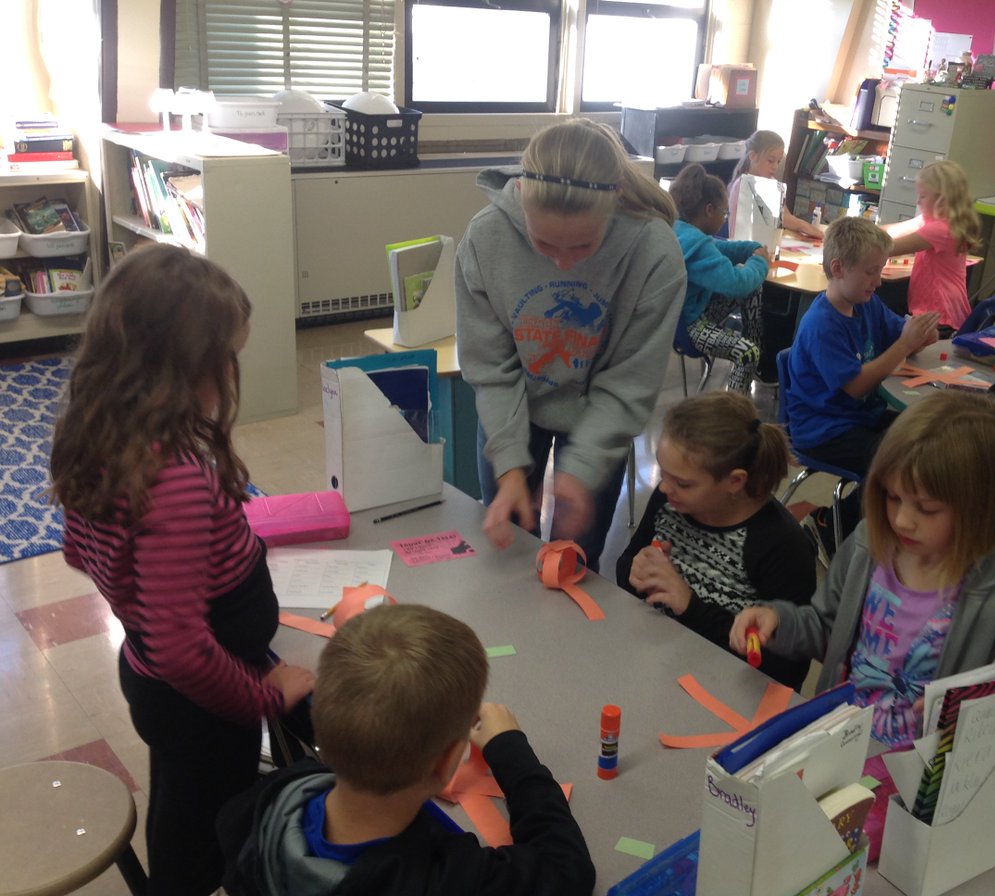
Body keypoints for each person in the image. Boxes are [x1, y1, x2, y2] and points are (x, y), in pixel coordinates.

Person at [47, 244, 317, 896]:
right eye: (227, 357)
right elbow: (181, 649)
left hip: (155, 679)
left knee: (180, 802)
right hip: (204, 701)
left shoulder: (98, 438)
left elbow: (79, 552)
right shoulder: (174, 479)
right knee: (208, 832)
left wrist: (162, 587)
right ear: (186, 368)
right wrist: (263, 696)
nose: (231, 373)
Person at [730, 391, 995, 749]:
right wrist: (779, 623)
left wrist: (966, 716)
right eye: (893, 497)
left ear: (983, 509)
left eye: (926, 509)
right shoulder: (868, 545)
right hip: (839, 743)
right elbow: (828, 629)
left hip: (922, 770)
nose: (901, 520)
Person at [218, 604, 594, 895]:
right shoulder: (445, 881)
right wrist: (509, 749)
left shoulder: (267, 801)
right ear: (447, 763)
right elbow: (566, 868)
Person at [456, 118, 686, 570]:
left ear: (615, 203)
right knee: (506, 552)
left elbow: (628, 383)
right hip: (514, 406)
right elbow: (491, 370)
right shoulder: (486, 238)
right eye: (543, 244)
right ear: (521, 195)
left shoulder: (654, 253)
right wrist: (509, 465)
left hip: (598, 412)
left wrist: (581, 473)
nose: (563, 263)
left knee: (573, 562)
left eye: (583, 247)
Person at [616, 393, 817, 688]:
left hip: (725, 690)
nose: (664, 487)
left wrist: (690, 606)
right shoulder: (669, 501)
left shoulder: (782, 546)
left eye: (683, 483)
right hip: (659, 665)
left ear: (735, 481)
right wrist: (636, 572)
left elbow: (786, 671)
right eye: (663, 472)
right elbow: (625, 567)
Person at [783, 216, 939, 561]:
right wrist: (904, 344)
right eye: (871, 272)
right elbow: (854, 386)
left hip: (857, 418)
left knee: (926, 435)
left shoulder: (867, 305)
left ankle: (849, 521)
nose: (878, 281)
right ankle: (835, 531)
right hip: (823, 430)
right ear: (839, 268)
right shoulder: (822, 323)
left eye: (879, 270)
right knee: (892, 458)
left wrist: (920, 335)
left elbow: (899, 331)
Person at [668, 162, 770, 394]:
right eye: (725, 213)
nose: (725, 218)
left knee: (754, 287)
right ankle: (733, 407)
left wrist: (752, 249)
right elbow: (737, 284)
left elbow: (720, 248)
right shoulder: (697, 245)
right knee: (747, 353)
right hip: (690, 327)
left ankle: (757, 351)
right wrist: (760, 262)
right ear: (709, 210)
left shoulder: (681, 230)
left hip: (678, 318)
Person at [881, 159, 981, 333]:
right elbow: (893, 231)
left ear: (942, 199)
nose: (918, 201)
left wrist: (852, 240)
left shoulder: (941, 230)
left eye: (923, 196)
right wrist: (856, 229)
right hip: (938, 310)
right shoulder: (933, 221)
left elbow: (887, 248)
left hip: (939, 313)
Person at [728, 130, 824, 240]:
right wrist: (804, 226)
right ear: (753, 156)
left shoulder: (770, 181)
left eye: (778, 161)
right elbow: (782, 218)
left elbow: (785, 213)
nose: (775, 167)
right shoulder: (743, 184)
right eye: (770, 161)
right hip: (743, 247)